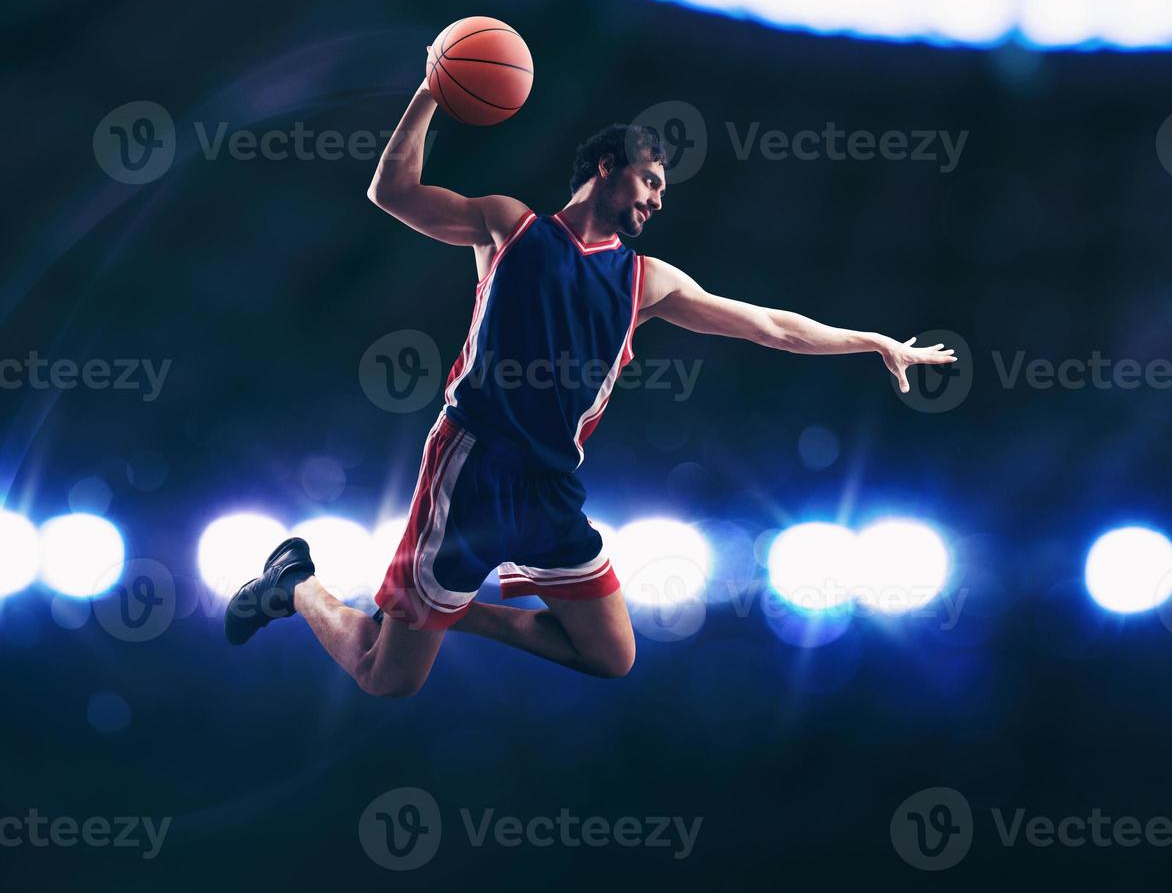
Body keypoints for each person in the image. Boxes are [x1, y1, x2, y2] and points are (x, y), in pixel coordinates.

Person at [223, 67, 956, 697]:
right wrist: (430, 89)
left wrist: (873, 342)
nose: (659, 199)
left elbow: (769, 324)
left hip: (550, 487)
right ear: (608, 166)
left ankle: (454, 610)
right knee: (388, 679)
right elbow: (393, 193)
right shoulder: (509, 227)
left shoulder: (646, 280)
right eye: (651, 179)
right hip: (472, 468)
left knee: (612, 655)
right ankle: (294, 585)